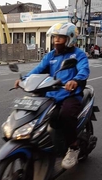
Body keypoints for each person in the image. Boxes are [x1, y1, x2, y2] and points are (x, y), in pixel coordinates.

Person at [14, 22, 90, 169]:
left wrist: (75, 80)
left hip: (70, 95)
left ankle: (73, 147)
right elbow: (38, 69)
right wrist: (24, 79)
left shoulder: (78, 54)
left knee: (66, 115)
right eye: (55, 37)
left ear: (70, 38)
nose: (56, 40)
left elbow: (83, 70)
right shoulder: (50, 56)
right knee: (37, 114)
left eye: (60, 37)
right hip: (51, 95)